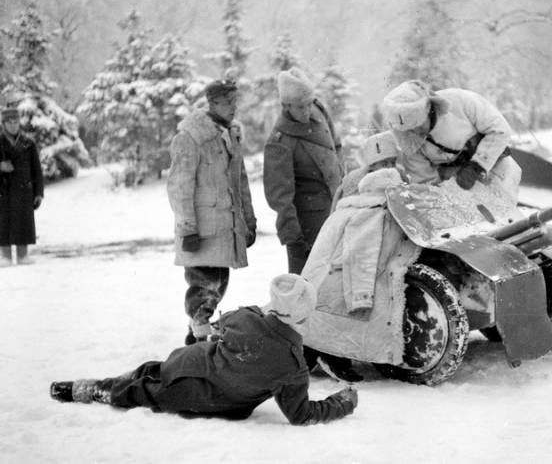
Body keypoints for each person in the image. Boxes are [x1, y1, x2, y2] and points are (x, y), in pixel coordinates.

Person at [49, 274, 358, 425]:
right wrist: (342, 403)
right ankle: (91, 391)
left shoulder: (246, 317)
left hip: (186, 364)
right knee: (137, 392)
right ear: (305, 316)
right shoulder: (292, 367)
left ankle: (98, 384)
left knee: (148, 371)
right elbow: (301, 415)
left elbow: (218, 328)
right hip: (200, 397)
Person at [167, 80, 257, 345]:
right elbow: (179, 186)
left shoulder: (230, 135)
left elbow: (240, 184)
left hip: (225, 227)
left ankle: (198, 332)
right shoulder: (191, 137)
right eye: (228, 102)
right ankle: (198, 337)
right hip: (202, 229)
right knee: (203, 285)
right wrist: (187, 228)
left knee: (218, 282)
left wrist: (248, 222)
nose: (233, 107)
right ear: (212, 103)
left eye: (235, 102)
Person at [380, 80, 521, 201]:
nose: (417, 132)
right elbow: (424, 181)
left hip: (495, 165)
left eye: (419, 125)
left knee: (504, 212)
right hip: (454, 181)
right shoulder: (408, 140)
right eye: (411, 130)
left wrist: (477, 166)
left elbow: (500, 130)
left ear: (428, 111)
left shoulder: (460, 101)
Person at [263, 67, 343, 275]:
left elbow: (337, 147)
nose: (307, 111)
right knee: (305, 284)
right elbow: (279, 197)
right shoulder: (279, 142)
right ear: (286, 106)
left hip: (337, 211)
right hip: (307, 224)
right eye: (300, 107)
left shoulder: (319, 110)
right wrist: (294, 237)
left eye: (308, 104)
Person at [0, 106, 43, 266]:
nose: (13, 125)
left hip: (24, 190)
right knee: (3, 223)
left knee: (23, 222)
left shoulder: (28, 143)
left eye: (16, 121)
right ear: (3, 124)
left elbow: (36, 170)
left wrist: (38, 192)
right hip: (3, 191)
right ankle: (5, 256)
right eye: (9, 122)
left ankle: (23, 255)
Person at [331, 130, 400, 210]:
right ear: (372, 166)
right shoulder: (357, 181)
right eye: (384, 164)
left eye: (393, 162)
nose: (390, 167)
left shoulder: (399, 174)